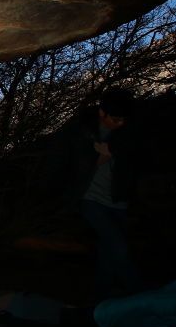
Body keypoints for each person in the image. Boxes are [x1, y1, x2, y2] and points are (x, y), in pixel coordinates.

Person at [49, 89, 142, 299]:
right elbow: (66, 166)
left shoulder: (128, 133)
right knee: (119, 249)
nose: (120, 123)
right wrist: (99, 160)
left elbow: (136, 163)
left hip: (118, 201)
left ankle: (100, 300)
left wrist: (116, 156)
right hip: (90, 200)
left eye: (123, 120)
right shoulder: (80, 131)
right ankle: (142, 296)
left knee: (107, 253)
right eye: (116, 119)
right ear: (102, 113)